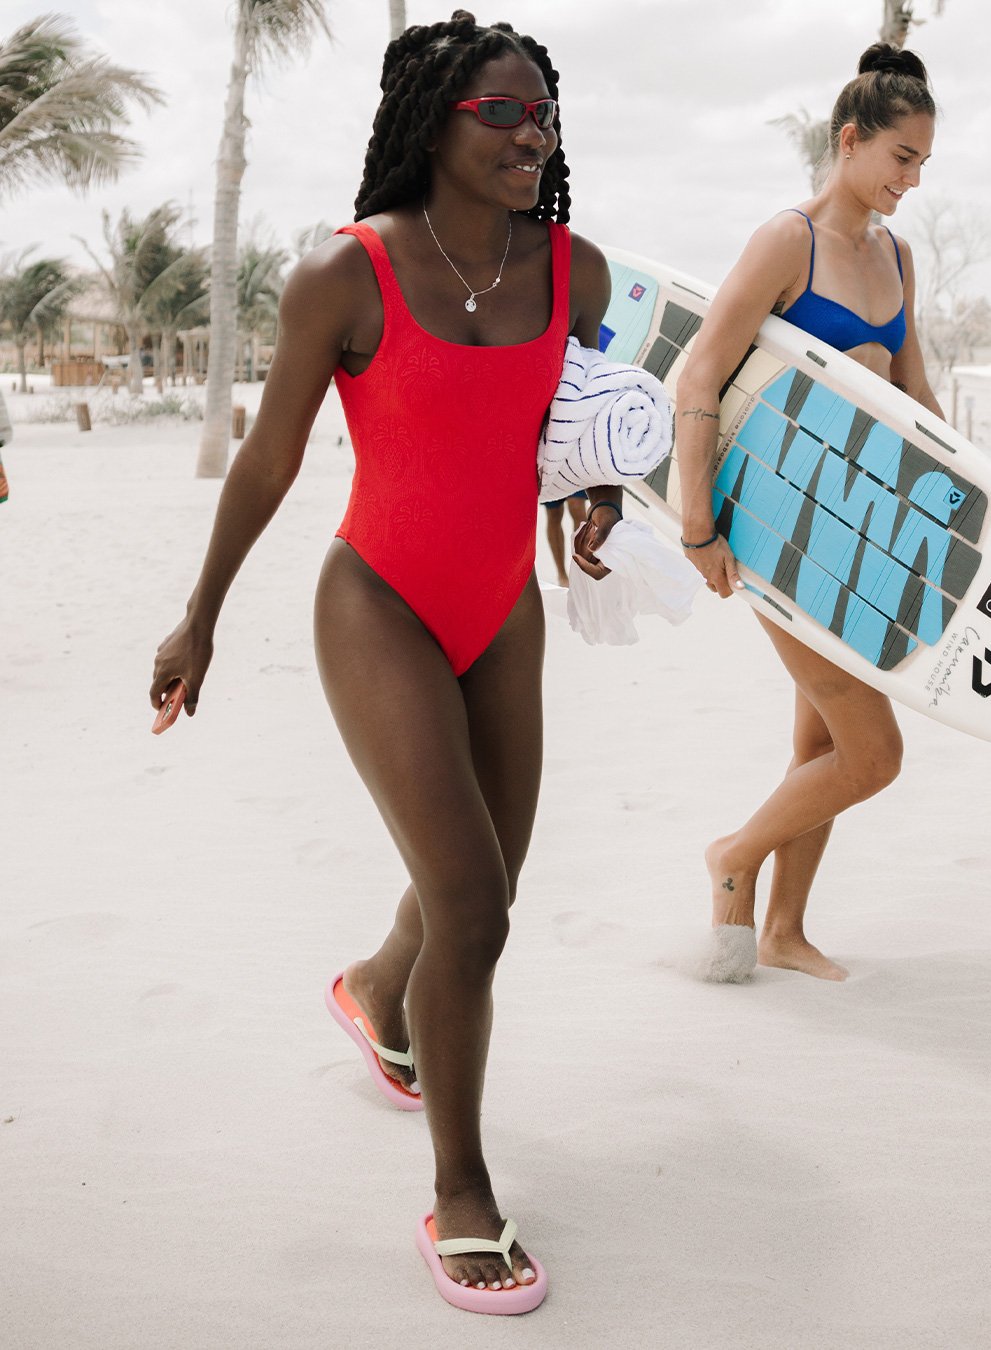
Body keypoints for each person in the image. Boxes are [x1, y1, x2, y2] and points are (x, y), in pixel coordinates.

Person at [150, 10, 618, 1314]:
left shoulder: (574, 271)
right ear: (435, 123)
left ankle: (373, 988)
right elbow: (269, 458)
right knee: (475, 904)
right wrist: (202, 615)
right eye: (505, 114)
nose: (536, 133)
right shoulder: (342, 278)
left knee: (475, 883)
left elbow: (592, 419)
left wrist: (601, 498)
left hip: (501, 610)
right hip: (380, 602)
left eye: (545, 114)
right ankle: (461, 1189)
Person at [675, 44, 941, 983]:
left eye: (923, 164)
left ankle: (782, 929)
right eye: (901, 158)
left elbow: (916, 401)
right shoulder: (789, 241)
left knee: (819, 741)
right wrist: (697, 523)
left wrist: (956, 520)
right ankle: (734, 856)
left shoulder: (897, 254)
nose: (911, 180)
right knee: (874, 755)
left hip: (863, 533)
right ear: (851, 140)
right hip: (781, 529)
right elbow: (701, 369)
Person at [542, 490, 588, 586]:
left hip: (575, 475)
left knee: (577, 506)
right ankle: (561, 574)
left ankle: (582, 570)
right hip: (551, 476)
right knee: (554, 513)